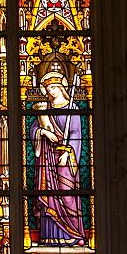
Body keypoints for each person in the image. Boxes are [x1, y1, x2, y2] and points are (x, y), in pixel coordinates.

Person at [30, 61, 85, 244]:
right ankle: (49, 237)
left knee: (66, 194)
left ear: (62, 88)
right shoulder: (44, 110)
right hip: (46, 159)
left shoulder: (72, 109)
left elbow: (76, 133)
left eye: (54, 87)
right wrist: (43, 132)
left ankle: (73, 234)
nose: (50, 91)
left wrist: (68, 153)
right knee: (48, 196)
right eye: (48, 88)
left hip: (65, 159)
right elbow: (34, 130)